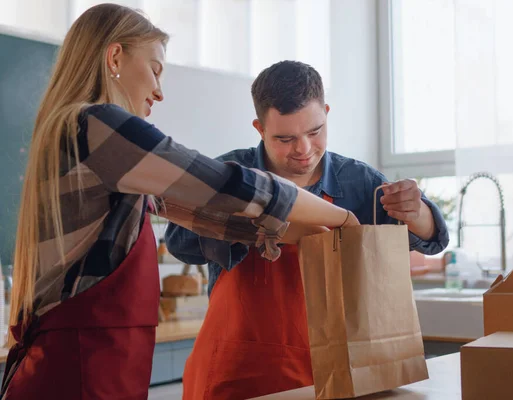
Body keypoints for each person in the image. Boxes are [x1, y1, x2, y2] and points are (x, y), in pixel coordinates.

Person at [1, 6, 358, 400]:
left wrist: (286, 230)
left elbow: (210, 216)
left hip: (78, 369)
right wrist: (341, 216)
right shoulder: (96, 124)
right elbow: (223, 184)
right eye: (155, 69)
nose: (159, 90)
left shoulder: (77, 136)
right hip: (79, 374)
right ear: (115, 57)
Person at [165, 60, 450, 399]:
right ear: (259, 128)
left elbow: (434, 241)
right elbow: (178, 241)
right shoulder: (230, 175)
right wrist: (258, 222)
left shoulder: (358, 182)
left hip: (333, 373)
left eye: (315, 132)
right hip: (238, 374)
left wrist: (417, 212)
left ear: (326, 112)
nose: (303, 149)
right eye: (285, 138)